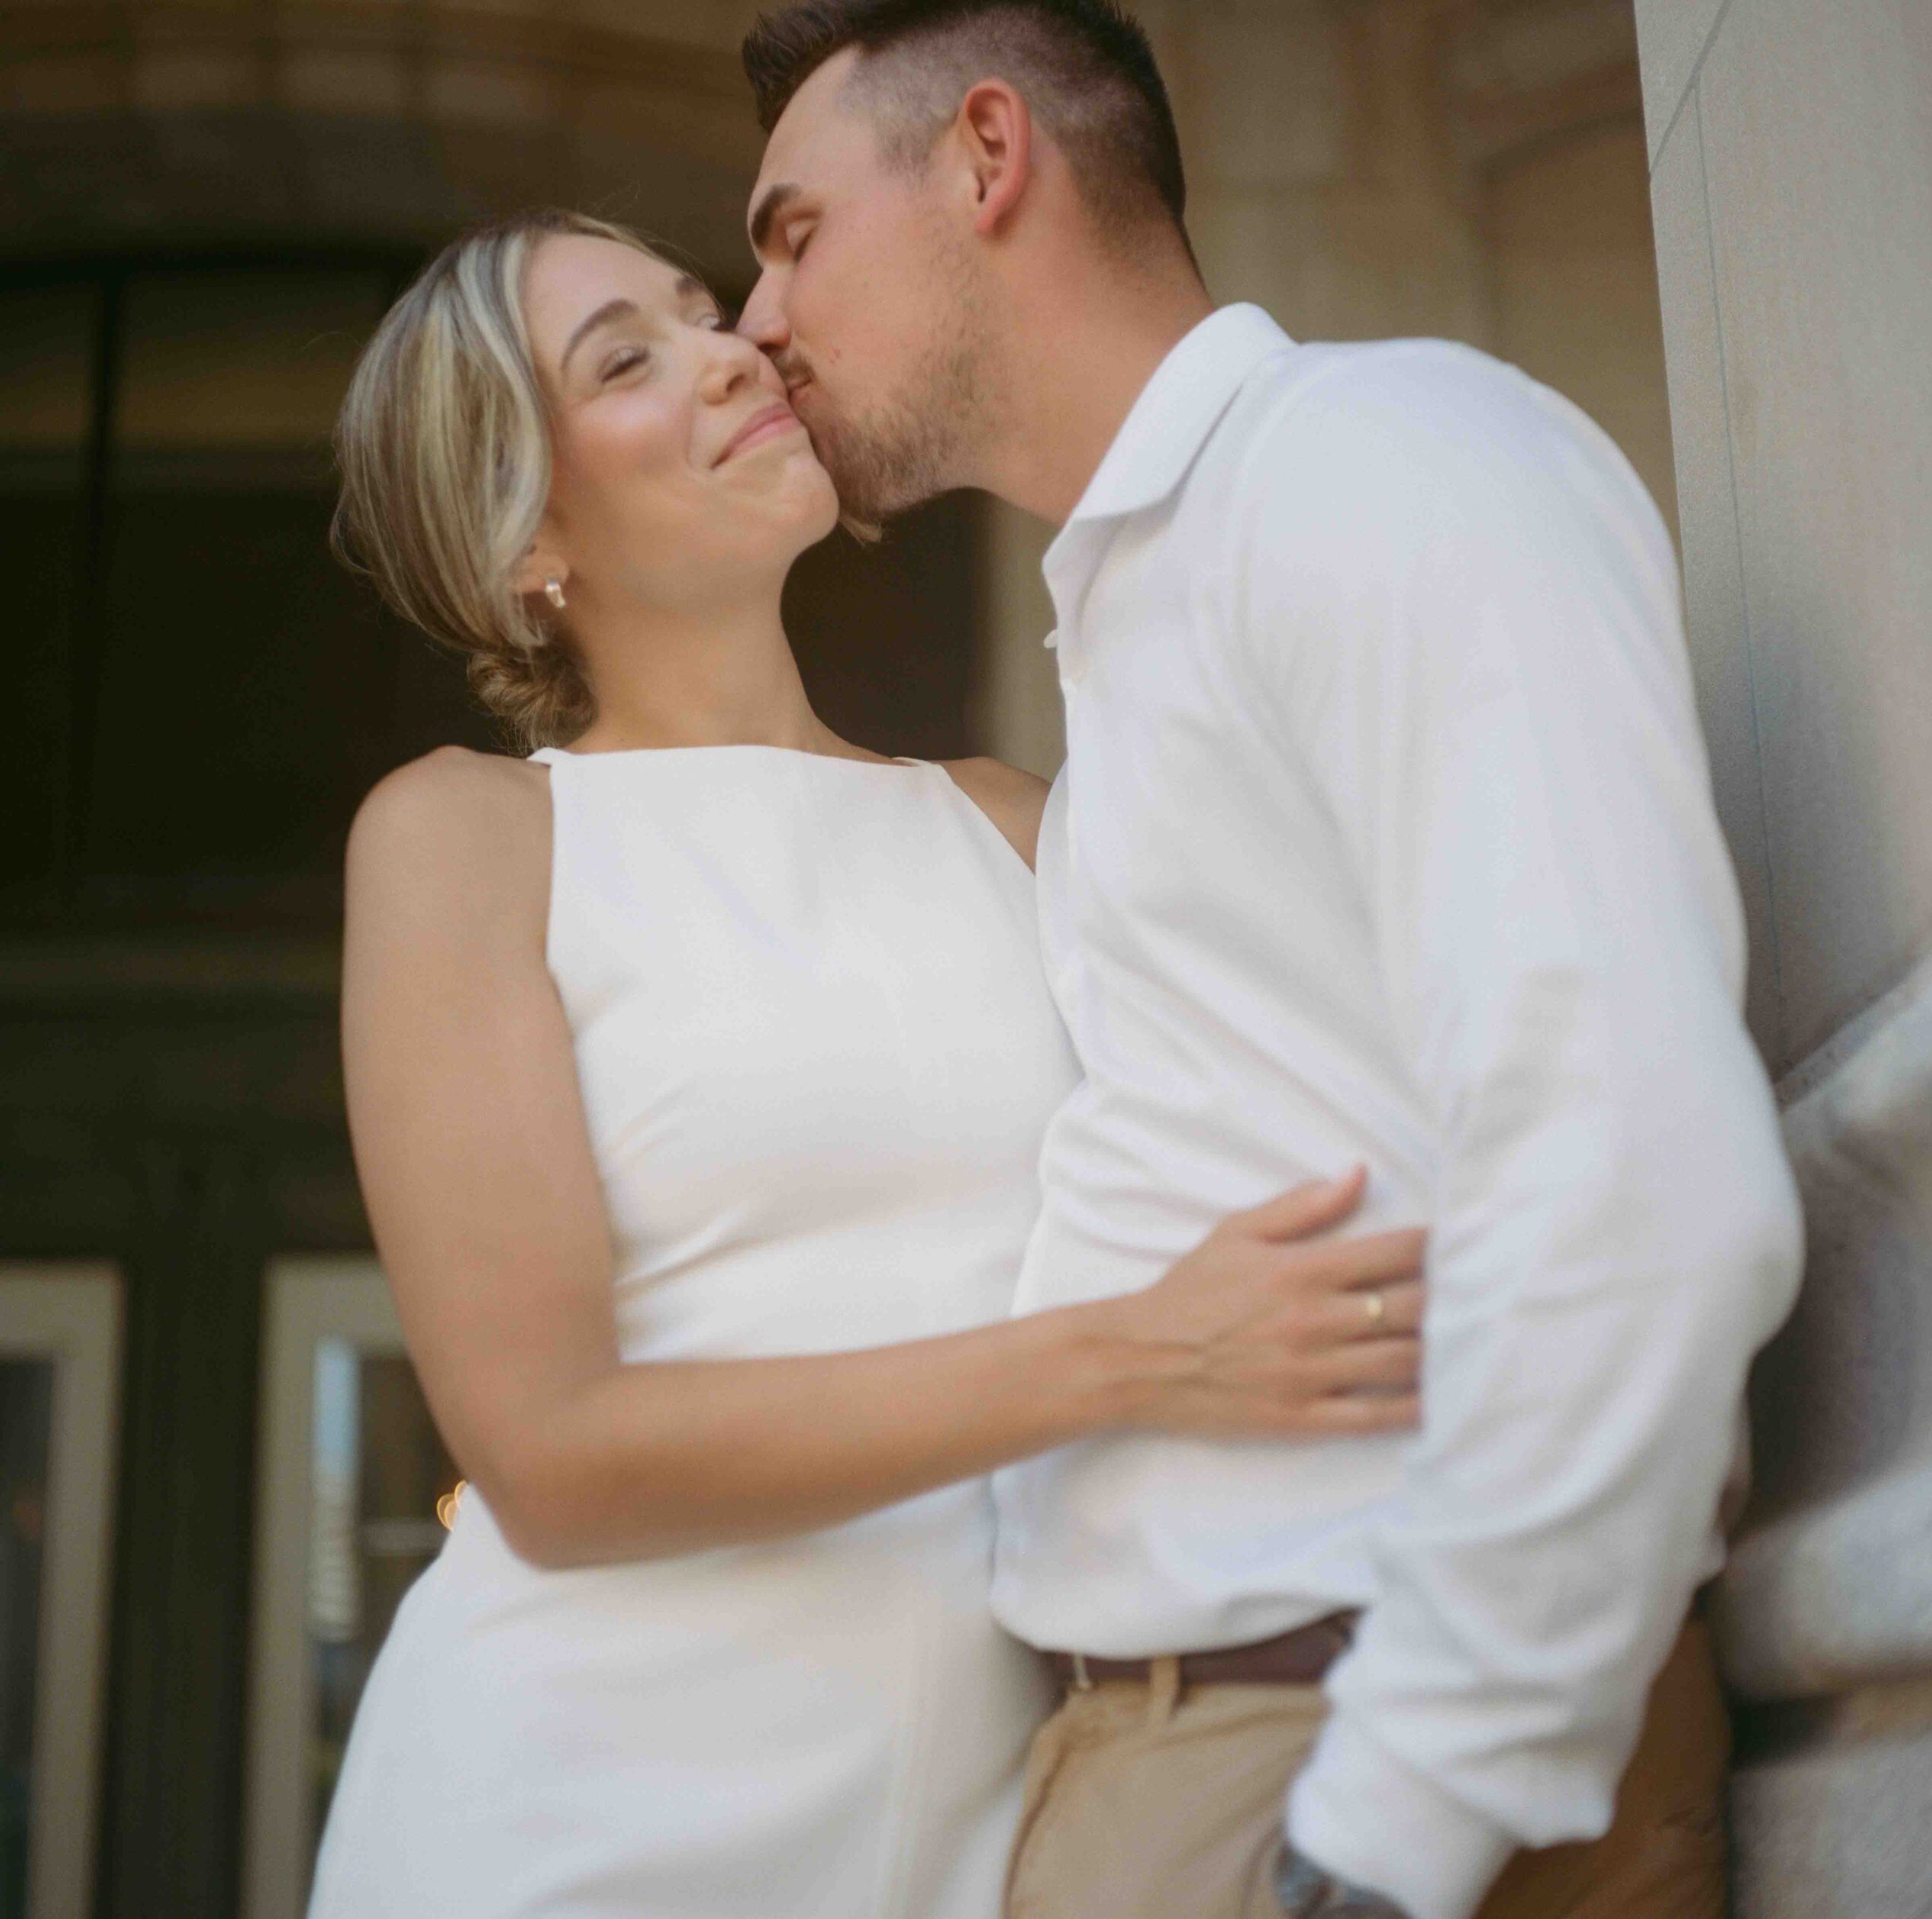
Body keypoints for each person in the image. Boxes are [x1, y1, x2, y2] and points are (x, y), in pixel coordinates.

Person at [734, 5, 1805, 1917]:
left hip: (1336, 1752)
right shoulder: (1139, 615)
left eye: (791, 230)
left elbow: (1634, 1154)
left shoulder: (1377, 463)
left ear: (987, 158)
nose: (755, 317)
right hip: (1183, 1762)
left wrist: (1390, 1826)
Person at [307, 209, 1427, 1919]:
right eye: (626, 357)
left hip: (976, 1825)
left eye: (705, 310)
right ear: (527, 527)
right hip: (571, 1819)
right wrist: (1136, 1353)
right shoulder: (467, 837)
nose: (727, 348)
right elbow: (552, 1450)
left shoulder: (1008, 823)